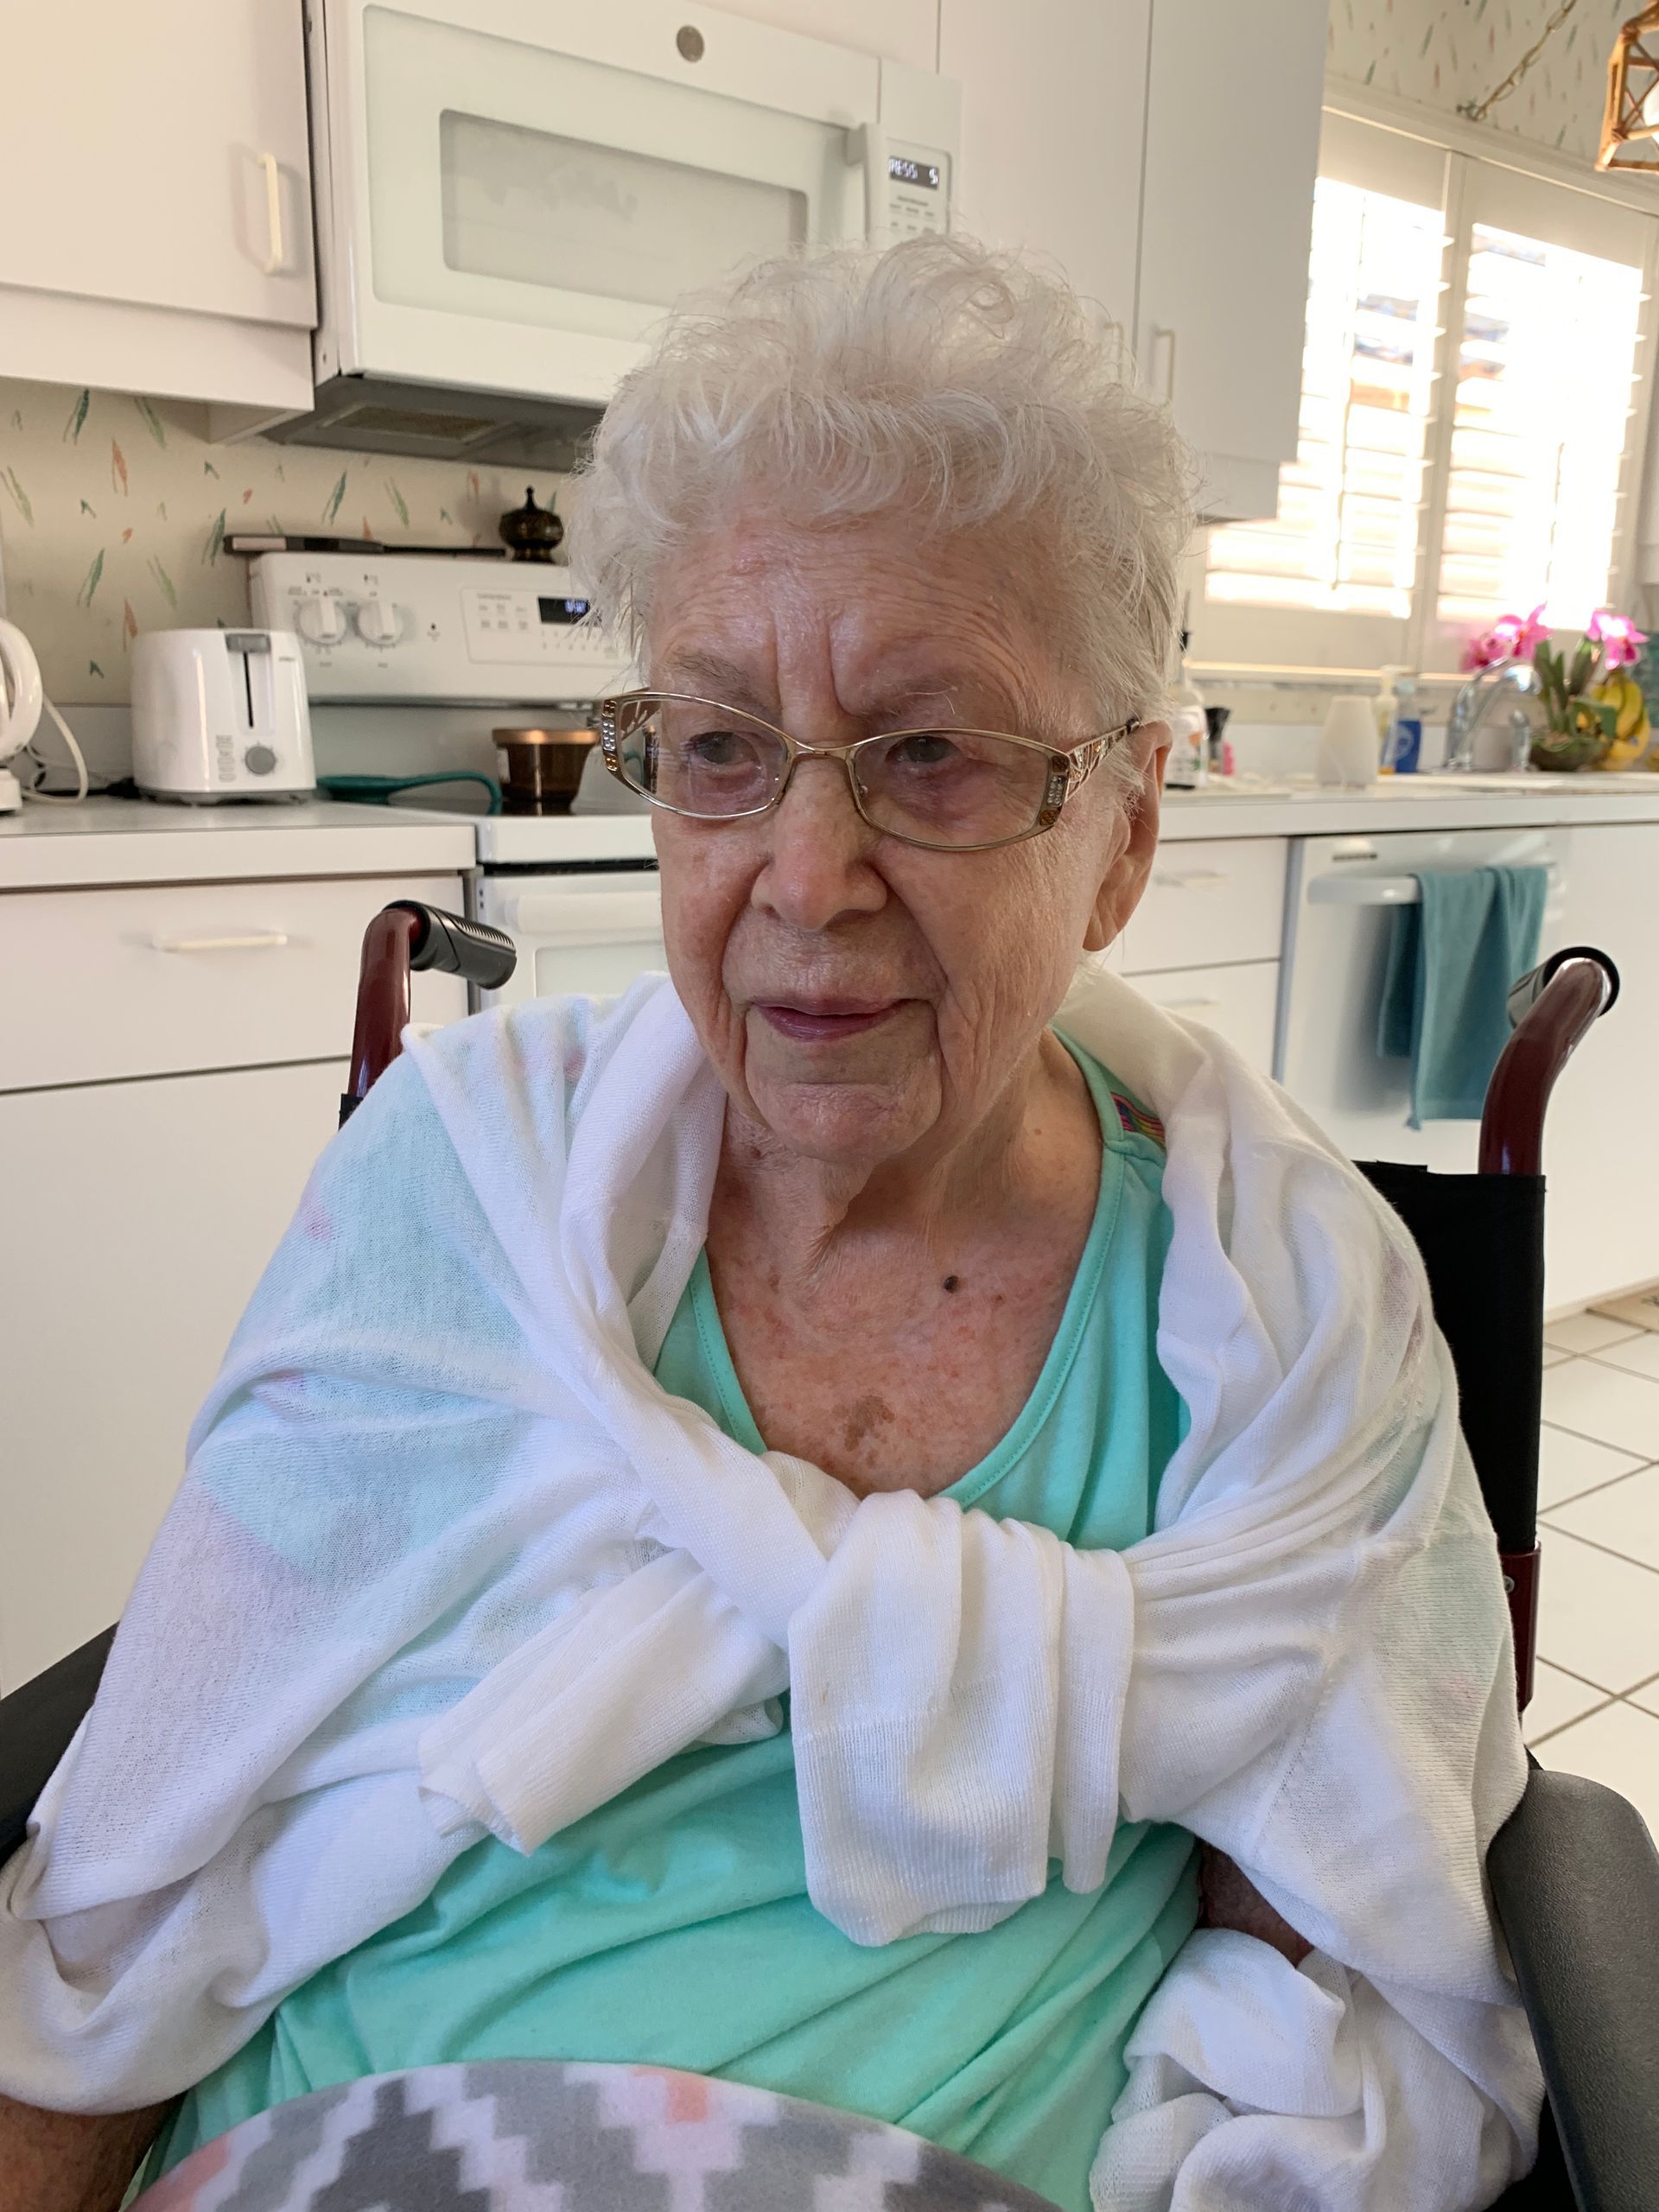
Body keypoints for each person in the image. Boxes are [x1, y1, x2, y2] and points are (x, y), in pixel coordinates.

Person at [0, 238, 1539, 2212]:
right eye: (722, 743)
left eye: (931, 754)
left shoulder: (1280, 1323)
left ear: (1126, 831)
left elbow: (1333, 1988)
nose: (807, 877)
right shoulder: (454, 1195)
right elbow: (141, 1874)